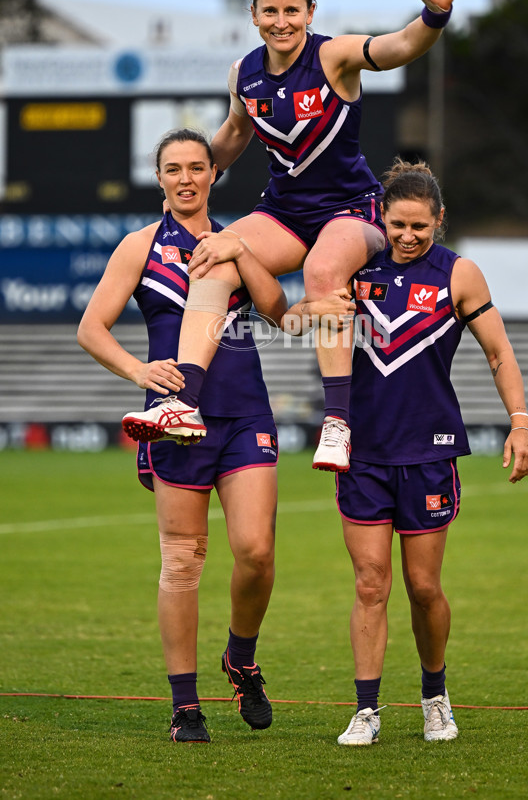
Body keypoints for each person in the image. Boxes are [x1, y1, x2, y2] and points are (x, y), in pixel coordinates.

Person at [122, 0, 466, 473]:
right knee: (212, 254)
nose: (281, 21)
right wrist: (196, 175)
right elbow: (235, 132)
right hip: (284, 212)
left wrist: (435, 13)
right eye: (270, 11)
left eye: (291, 10)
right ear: (254, 16)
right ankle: (183, 403)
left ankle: (337, 424)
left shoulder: (334, 57)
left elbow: (400, 45)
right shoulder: (244, 74)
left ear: (310, 12)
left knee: (322, 271)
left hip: (352, 210)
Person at [298, 158, 528, 746]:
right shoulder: (355, 267)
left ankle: (435, 697)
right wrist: (302, 310)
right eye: (398, 224)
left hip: (428, 450)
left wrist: (520, 422)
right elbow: (305, 319)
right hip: (361, 453)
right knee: (369, 584)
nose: (407, 236)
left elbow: (499, 353)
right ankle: (366, 710)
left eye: (419, 227)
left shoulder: (460, 274)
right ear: (381, 217)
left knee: (423, 587)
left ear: (439, 220)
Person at [77, 128, 291, 744]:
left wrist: (241, 253)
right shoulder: (139, 246)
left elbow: (279, 312)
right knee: (181, 561)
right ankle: (185, 705)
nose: (186, 178)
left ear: (213, 174)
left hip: (245, 413)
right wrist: (139, 371)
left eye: (197, 167)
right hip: (175, 421)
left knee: (256, 552)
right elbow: (92, 328)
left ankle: (241, 659)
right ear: (159, 178)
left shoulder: (237, 240)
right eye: (173, 169)